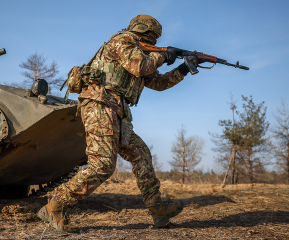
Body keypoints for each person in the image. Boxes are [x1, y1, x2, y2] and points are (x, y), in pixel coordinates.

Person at [37, 14, 203, 233]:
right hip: (99, 104)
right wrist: (164, 56)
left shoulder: (140, 53)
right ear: (143, 32)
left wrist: (183, 68)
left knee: (141, 153)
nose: (153, 42)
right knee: (103, 164)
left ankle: (158, 211)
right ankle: (55, 206)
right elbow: (142, 67)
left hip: (117, 110)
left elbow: (158, 83)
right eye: (152, 37)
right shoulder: (122, 41)